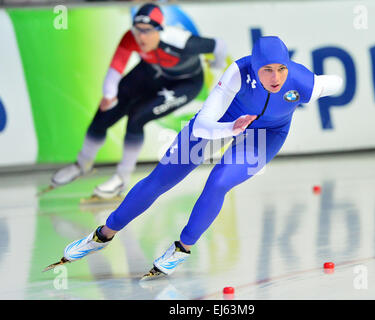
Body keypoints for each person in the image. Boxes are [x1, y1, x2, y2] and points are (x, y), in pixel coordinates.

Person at [51, 36, 343, 278]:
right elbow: (204, 124)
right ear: (254, 67)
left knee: (218, 182)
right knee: (163, 178)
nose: (276, 78)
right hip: (222, 122)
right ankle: (103, 234)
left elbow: (337, 83)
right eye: (267, 70)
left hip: (267, 134)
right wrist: (232, 127)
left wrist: (322, 85)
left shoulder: (303, 82)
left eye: (281, 69)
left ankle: (182, 248)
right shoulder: (237, 74)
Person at [50, 3, 227, 199]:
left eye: (147, 31)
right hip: (150, 71)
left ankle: (122, 178)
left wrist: (216, 66)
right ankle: (82, 164)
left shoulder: (181, 41)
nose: (141, 37)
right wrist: (109, 95)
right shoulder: (130, 37)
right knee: (105, 112)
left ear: (159, 30)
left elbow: (219, 45)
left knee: (137, 117)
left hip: (184, 83)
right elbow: (116, 67)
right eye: (138, 30)